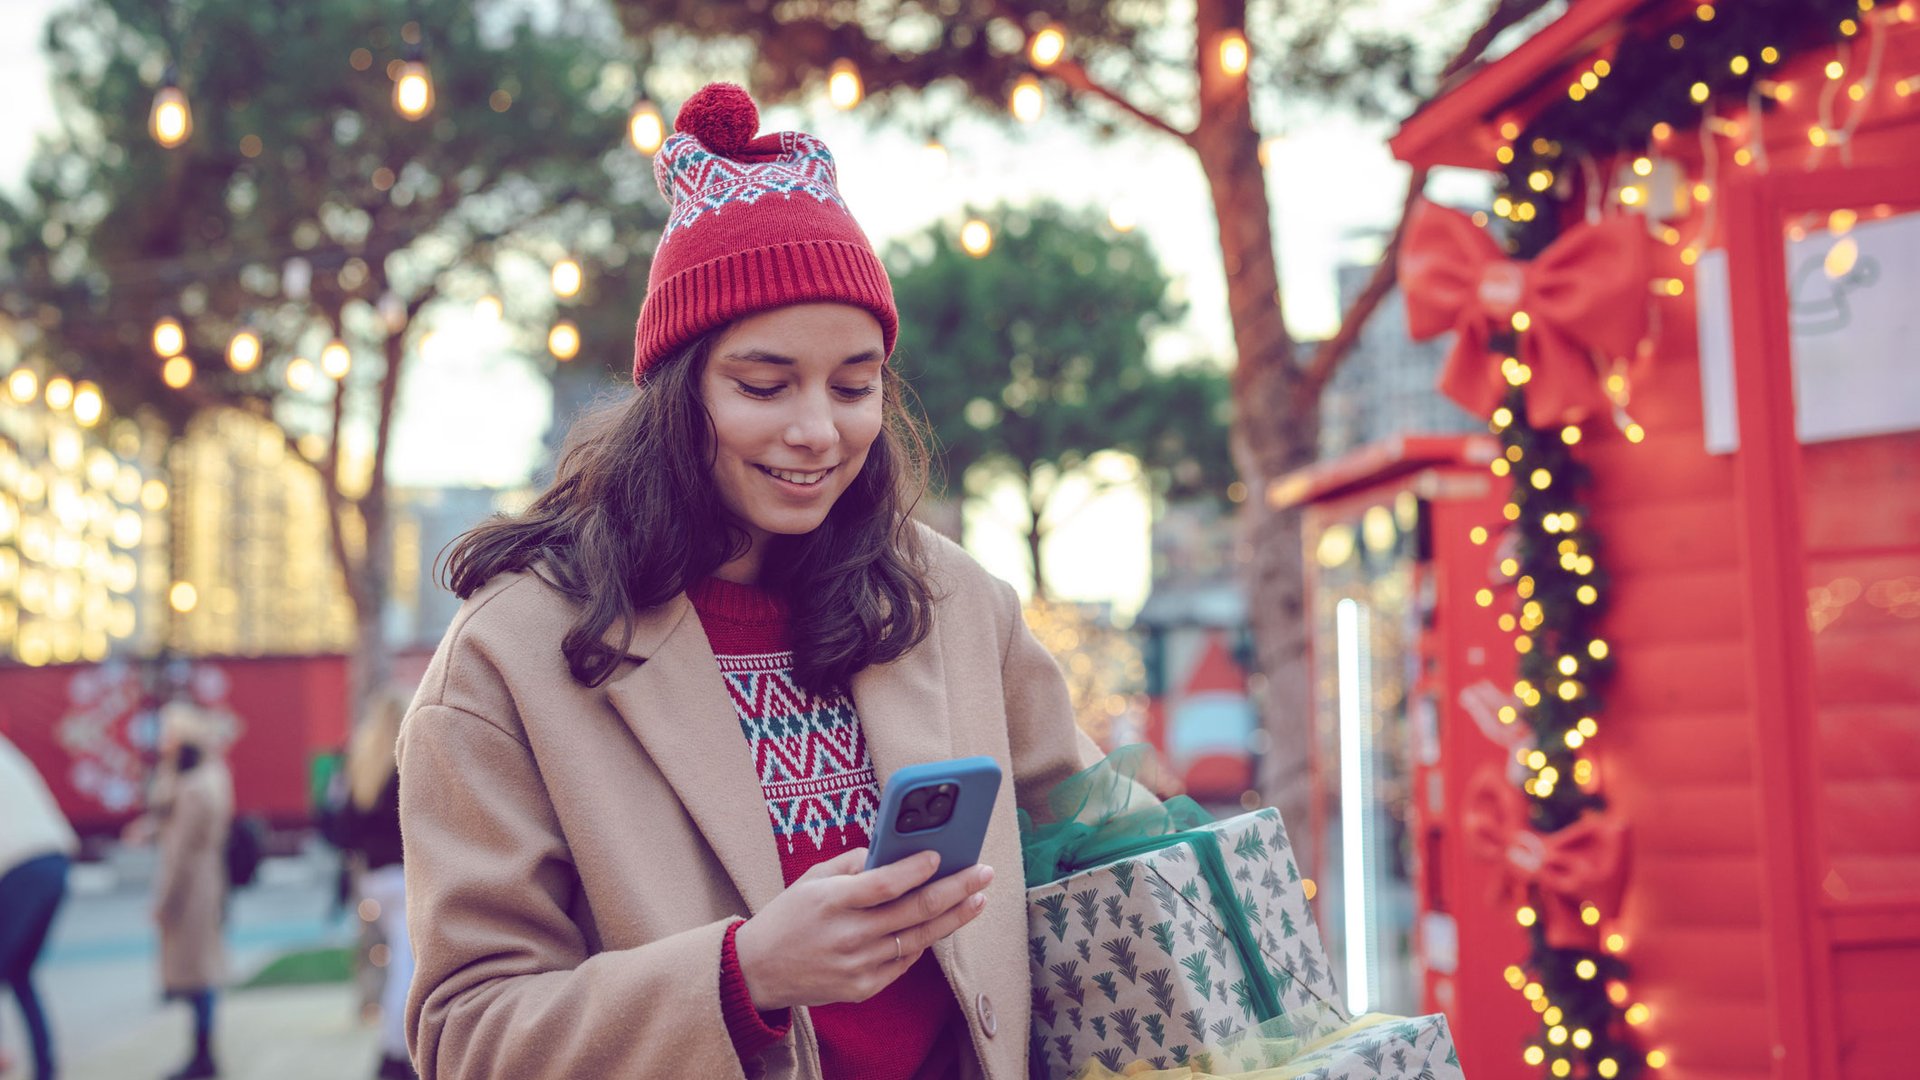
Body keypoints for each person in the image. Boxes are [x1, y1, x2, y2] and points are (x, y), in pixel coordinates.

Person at [397, 82, 1101, 1080]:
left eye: (855, 386)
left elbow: (1090, 837)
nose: (819, 430)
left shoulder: (953, 602)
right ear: (678, 394)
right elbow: (467, 1033)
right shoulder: (509, 655)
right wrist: (744, 975)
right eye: (764, 386)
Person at [136, 702, 234, 1080]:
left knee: (199, 973)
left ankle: (203, 1056)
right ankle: (202, 1053)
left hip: (192, 888)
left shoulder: (193, 786)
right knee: (201, 969)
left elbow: (180, 854)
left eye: (169, 735)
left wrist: (163, 901)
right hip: (205, 882)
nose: (164, 744)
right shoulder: (209, 774)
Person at [336, 688, 417, 1080]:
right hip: (404, 878)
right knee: (406, 969)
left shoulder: (362, 764)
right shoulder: (408, 762)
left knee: (399, 965)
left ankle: (394, 1053)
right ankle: (393, 1055)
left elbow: (342, 828)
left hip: (374, 880)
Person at [0, 732, 78, 1080]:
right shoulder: (8, 750)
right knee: (19, 974)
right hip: (55, 860)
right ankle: (46, 1070)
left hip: (20, 867)